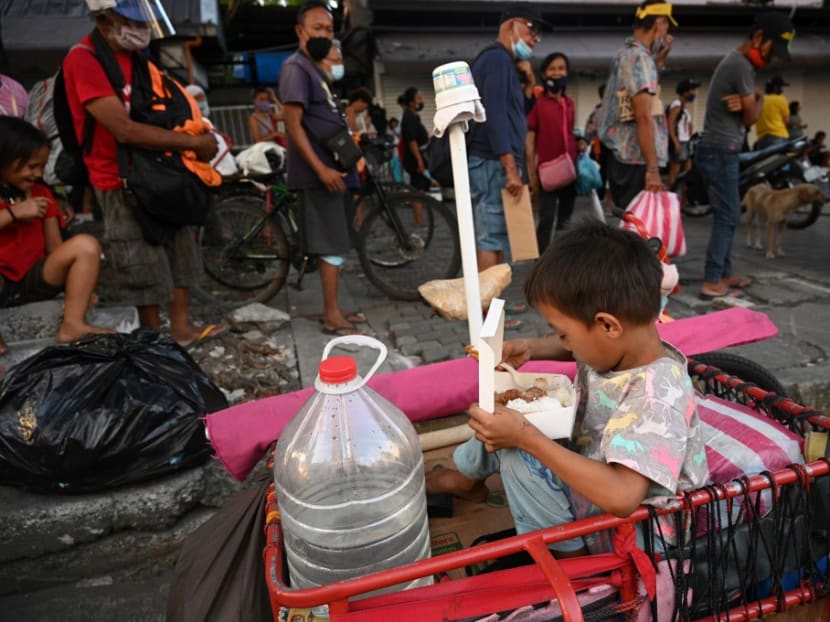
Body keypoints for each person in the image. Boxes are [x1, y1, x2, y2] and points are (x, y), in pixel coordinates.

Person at [426, 220, 708, 555]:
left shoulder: (655, 395)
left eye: (563, 335)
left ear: (607, 325)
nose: (564, 345)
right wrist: (533, 347)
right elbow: (587, 348)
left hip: (637, 533)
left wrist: (526, 439)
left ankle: (569, 562)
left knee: (519, 449)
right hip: (595, 468)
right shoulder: (619, 348)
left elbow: (622, 497)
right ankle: (467, 477)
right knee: (508, 413)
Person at [63, 0, 224, 348]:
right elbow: (123, 129)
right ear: (104, 19)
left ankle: (181, 328)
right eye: (130, 21)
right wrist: (192, 145)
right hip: (117, 179)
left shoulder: (136, 59)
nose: (140, 29)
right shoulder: (84, 60)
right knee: (140, 259)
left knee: (179, 247)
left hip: (158, 171)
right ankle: (153, 339)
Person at [696, 12, 794, 300]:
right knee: (727, 216)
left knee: (728, 214)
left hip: (722, 150)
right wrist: (756, 101)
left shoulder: (740, 66)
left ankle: (724, 274)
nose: (772, 59)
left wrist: (755, 99)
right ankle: (712, 280)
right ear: (758, 37)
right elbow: (751, 118)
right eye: (770, 51)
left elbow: (750, 110)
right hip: (720, 151)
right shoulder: (741, 66)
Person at [280, 1, 364, 337]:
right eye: (318, 28)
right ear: (301, 31)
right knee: (330, 245)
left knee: (337, 244)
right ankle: (331, 314)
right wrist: (320, 169)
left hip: (333, 171)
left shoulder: (316, 70)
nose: (325, 35)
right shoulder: (295, 68)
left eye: (329, 30)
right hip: (320, 175)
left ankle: (336, 308)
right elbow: (293, 123)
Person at [0, 116, 112, 354]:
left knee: (85, 244)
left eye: (41, 166)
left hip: (34, 278)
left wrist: (80, 285)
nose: (38, 174)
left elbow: (55, 248)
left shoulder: (41, 194)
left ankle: (73, 324)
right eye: (31, 166)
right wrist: (12, 213)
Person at [597, 0, 675, 210]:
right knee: (638, 233)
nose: (667, 33)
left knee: (630, 229)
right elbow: (642, 115)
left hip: (623, 157)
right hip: (636, 160)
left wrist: (659, 60)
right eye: (667, 25)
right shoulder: (639, 58)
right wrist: (652, 170)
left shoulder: (625, 53)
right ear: (659, 23)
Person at [526, 52, 578, 252]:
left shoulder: (569, 103)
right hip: (547, 172)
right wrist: (532, 175)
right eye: (552, 68)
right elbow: (530, 143)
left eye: (561, 68)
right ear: (544, 73)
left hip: (570, 170)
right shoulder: (538, 104)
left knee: (566, 220)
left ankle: (561, 258)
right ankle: (541, 261)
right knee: (546, 219)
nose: (557, 72)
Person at [185, 84, 238, 177]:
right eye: (197, 99)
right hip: (218, 172)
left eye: (202, 98)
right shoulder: (199, 123)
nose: (201, 102)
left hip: (222, 171)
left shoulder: (205, 122)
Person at [666, 78, 699, 187]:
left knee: (687, 172)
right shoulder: (677, 104)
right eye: (691, 90)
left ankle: (685, 199)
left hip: (686, 143)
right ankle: (671, 198)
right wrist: (675, 142)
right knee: (674, 172)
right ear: (684, 91)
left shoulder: (685, 109)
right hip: (679, 142)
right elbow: (670, 124)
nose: (694, 93)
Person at [398, 86, 431, 193]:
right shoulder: (409, 117)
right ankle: (418, 210)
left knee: (421, 186)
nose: (422, 101)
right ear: (411, 102)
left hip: (418, 155)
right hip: (413, 157)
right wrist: (419, 160)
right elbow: (412, 140)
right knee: (418, 187)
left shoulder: (414, 116)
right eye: (419, 98)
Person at [754, 75, 790, 150]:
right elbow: (786, 121)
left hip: (762, 138)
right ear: (776, 88)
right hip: (778, 135)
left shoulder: (759, 100)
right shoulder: (781, 99)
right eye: (781, 87)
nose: (782, 89)